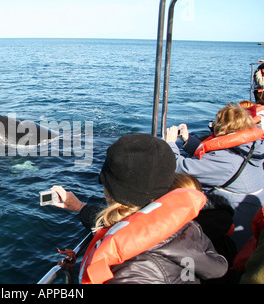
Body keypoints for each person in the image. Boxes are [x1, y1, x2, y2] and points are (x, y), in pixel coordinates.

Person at [51, 133, 228, 284]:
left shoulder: (133, 272)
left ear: (110, 190)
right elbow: (130, 224)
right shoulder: (187, 227)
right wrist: (80, 208)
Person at [166, 103, 264, 251]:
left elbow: (180, 168)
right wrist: (188, 140)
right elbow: (214, 161)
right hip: (250, 226)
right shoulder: (253, 148)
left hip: (233, 235)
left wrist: (170, 144)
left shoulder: (227, 161)